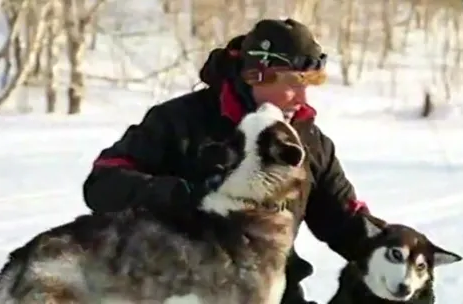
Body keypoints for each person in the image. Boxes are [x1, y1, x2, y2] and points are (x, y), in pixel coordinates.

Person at [83, 18, 369, 304]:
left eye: (310, 84)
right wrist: (182, 196)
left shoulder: (307, 142)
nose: (303, 98)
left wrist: (398, 252)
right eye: (294, 83)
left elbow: (347, 223)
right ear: (256, 74)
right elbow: (103, 183)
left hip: (269, 290)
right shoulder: (179, 121)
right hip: (180, 288)